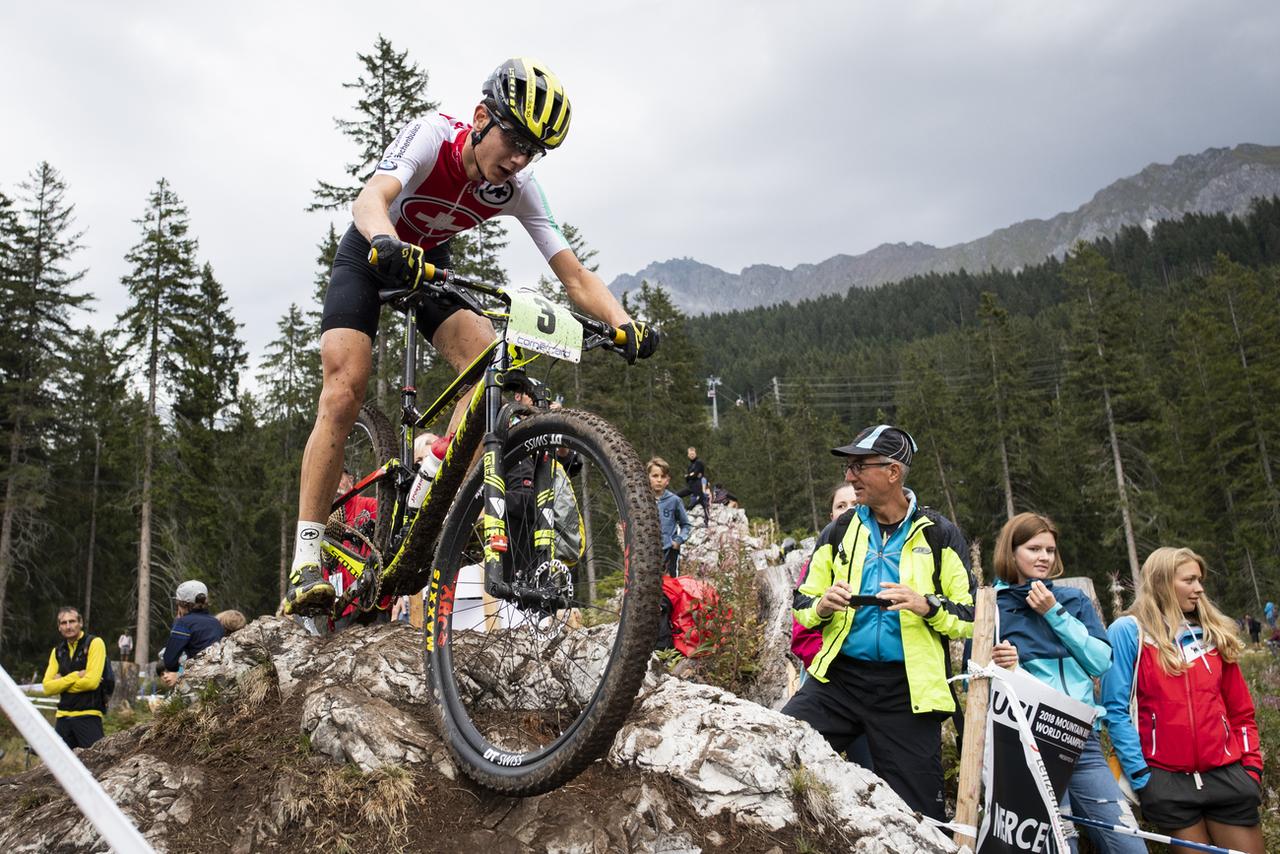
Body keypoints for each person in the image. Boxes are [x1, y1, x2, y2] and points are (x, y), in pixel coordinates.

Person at [286, 57, 658, 615]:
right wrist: (387, 242)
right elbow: (369, 198)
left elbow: (574, 275)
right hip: (371, 252)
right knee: (344, 390)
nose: (517, 159)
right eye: (512, 139)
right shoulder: (433, 136)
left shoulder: (518, 188)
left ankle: (434, 477)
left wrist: (625, 325)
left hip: (430, 264)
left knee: (489, 368)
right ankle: (306, 558)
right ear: (482, 118)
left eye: (531, 150)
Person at [784, 425, 974, 820]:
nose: (849, 476)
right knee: (775, 750)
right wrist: (822, 607)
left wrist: (927, 606)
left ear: (893, 471)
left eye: (859, 466)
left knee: (923, 819)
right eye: (848, 468)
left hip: (907, 693)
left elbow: (970, 617)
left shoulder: (940, 534)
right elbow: (801, 602)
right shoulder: (838, 530)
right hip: (838, 682)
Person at [988, 513, 1144, 854]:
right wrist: (1009, 670)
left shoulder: (1073, 601)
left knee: (1127, 843)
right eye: (1033, 548)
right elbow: (979, 684)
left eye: (1050, 550)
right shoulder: (992, 608)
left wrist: (1053, 613)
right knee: (1061, 845)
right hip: (1028, 743)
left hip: (1082, 740)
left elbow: (1100, 662)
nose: (1044, 557)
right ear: (1011, 552)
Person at [1101, 547, 1264, 854]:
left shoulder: (1212, 634)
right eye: (1189, 580)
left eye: (1199, 580)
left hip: (1227, 776)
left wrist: (1252, 770)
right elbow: (1115, 711)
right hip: (1166, 780)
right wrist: (1143, 778)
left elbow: (1241, 711)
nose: (1199, 589)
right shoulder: (1128, 631)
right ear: (1163, 582)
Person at [790, 482, 858, 669]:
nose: (849, 511)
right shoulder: (819, 560)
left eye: (856, 504)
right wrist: (828, 661)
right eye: (841, 506)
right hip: (827, 666)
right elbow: (802, 634)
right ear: (832, 517)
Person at [42, 607, 107, 750]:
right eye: (64, 623)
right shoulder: (57, 651)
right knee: (57, 768)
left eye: (72, 621)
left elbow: (91, 683)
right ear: (59, 627)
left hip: (88, 716)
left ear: (81, 622)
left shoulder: (95, 643)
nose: (68, 626)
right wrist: (75, 676)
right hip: (62, 718)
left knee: (95, 767)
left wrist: (61, 683)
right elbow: (47, 688)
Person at [159, 580, 225, 688]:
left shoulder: (183, 624)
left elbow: (169, 661)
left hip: (200, 680)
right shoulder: (216, 622)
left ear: (181, 603)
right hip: (222, 677)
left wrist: (177, 669)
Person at [648, 457, 692, 576]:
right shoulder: (643, 501)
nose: (659, 480)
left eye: (662, 476)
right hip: (647, 553)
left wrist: (678, 540)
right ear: (647, 478)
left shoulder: (674, 500)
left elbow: (686, 525)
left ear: (667, 480)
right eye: (655, 476)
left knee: (669, 588)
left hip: (668, 552)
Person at [679, 447, 710, 526]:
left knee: (702, 502)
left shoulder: (699, 462)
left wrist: (689, 476)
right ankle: (679, 513)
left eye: (693, 454)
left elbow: (696, 474)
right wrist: (690, 476)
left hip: (698, 486)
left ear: (695, 453)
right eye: (690, 454)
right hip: (691, 487)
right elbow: (689, 477)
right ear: (688, 455)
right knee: (677, 495)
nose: (692, 455)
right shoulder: (690, 465)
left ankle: (707, 522)